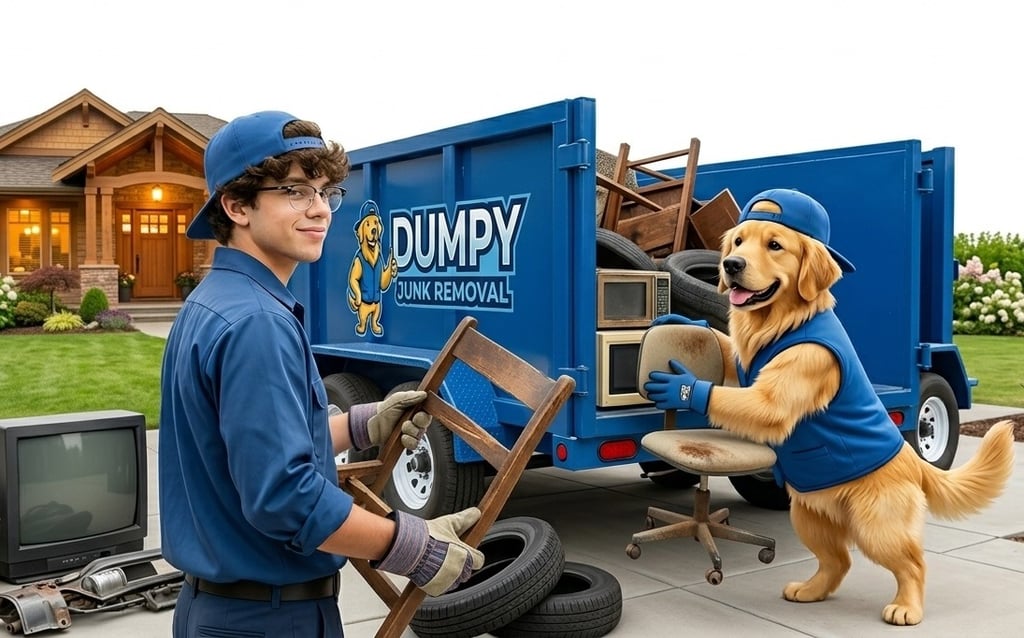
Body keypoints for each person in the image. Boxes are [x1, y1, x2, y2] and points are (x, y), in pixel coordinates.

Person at [159, 111, 484, 637]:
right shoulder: (257, 323)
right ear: (237, 205)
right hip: (266, 619)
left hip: (227, 610)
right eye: (294, 191)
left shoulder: (219, 301)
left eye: (325, 191)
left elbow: (246, 447)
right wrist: (413, 548)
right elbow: (285, 497)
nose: (320, 210)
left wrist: (362, 424)